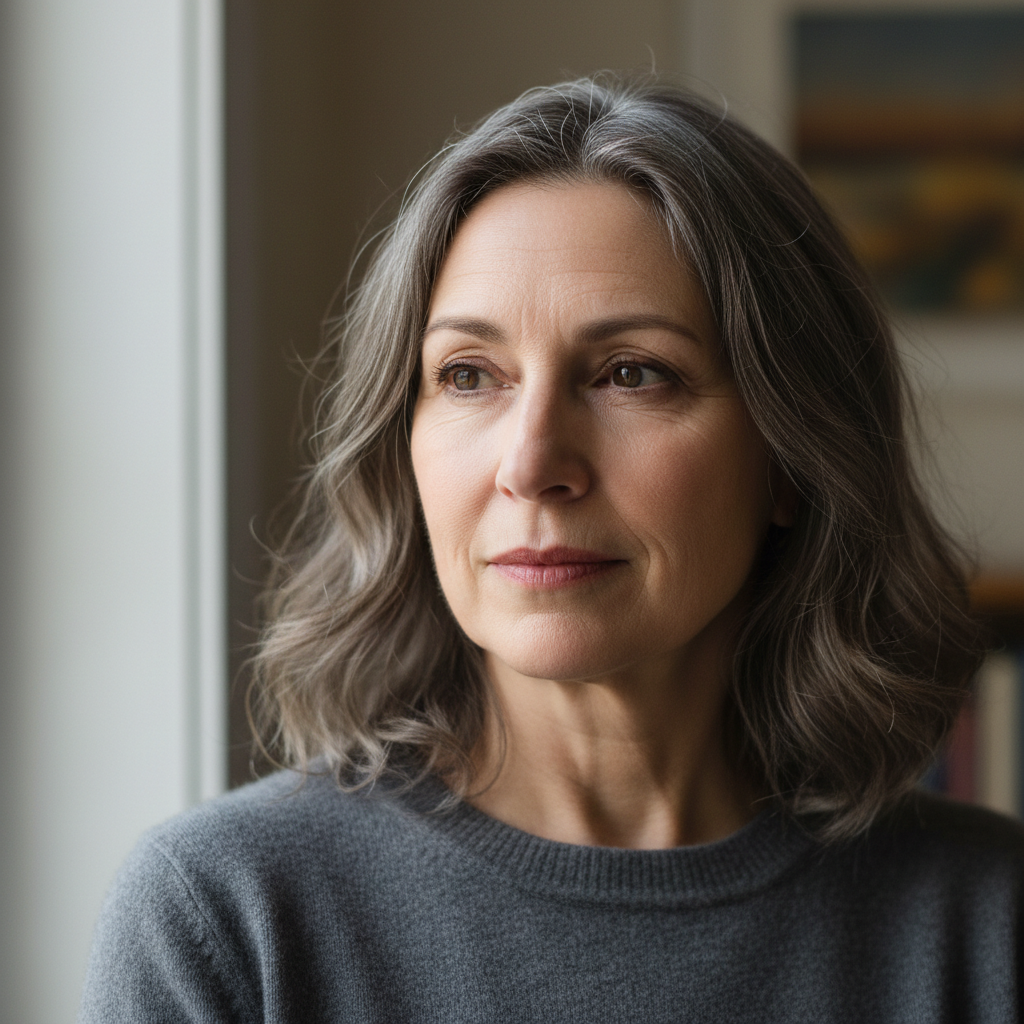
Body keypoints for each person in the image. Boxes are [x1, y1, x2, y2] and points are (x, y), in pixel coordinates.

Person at [79, 76, 1022, 1022]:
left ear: (790, 456)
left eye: (630, 374)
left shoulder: (986, 927)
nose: (532, 465)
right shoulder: (226, 920)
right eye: (467, 375)